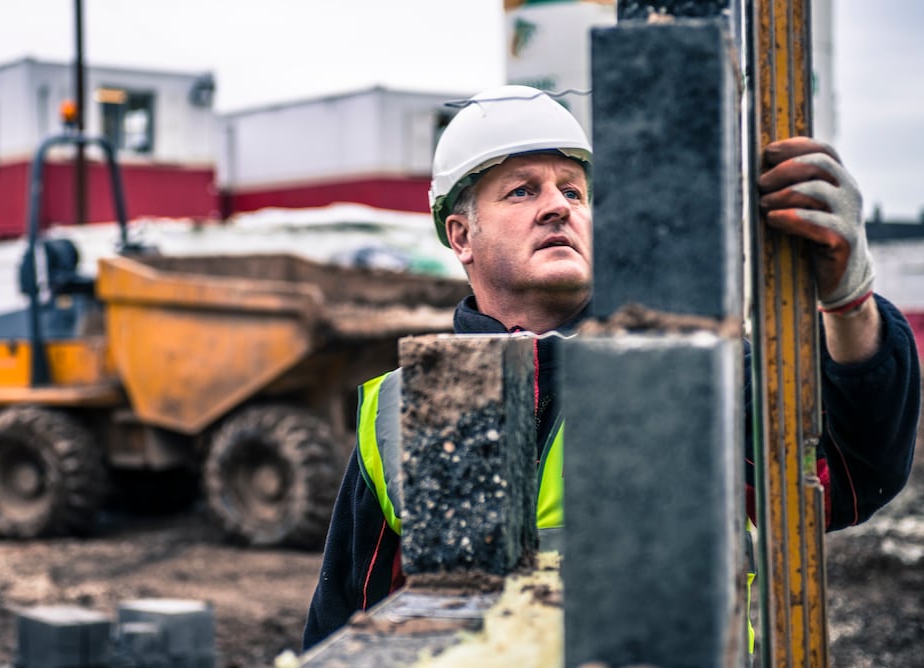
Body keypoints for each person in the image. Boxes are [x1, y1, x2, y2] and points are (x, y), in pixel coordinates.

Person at [302, 85, 921, 650]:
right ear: (461, 235)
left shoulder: (688, 371)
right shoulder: (405, 410)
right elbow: (350, 629)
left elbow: (851, 469)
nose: (557, 208)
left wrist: (850, 302)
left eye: (573, 191)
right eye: (522, 190)